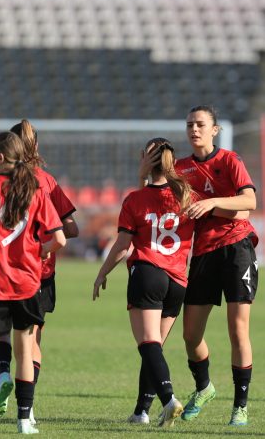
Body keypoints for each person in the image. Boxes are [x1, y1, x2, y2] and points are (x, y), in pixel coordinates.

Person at [92, 138, 194, 427]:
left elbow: (123, 245)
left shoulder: (134, 200)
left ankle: (169, 398)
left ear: (143, 160)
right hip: (178, 281)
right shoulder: (187, 196)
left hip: (148, 273)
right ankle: (141, 412)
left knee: (148, 345)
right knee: (154, 348)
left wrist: (102, 273)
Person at [0, 131, 66, 436]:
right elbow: (59, 239)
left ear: (1, 158)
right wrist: (37, 252)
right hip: (26, 283)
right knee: (26, 352)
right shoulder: (35, 190)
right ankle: (25, 420)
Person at [175, 105, 258, 426]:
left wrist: (211, 203)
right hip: (203, 253)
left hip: (237, 249)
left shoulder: (230, 161)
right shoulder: (181, 168)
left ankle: (240, 406)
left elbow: (249, 203)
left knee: (238, 329)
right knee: (190, 335)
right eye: (189, 124)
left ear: (214, 130)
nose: (194, 129)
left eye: (200, 124)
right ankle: (204, 387)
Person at [0, 120, 79, 425]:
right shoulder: (47, 182)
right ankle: (26, 408)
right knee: (31, 343)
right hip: (39, 273)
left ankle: (2, 372)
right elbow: (70, 229)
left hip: (2, 268)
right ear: (36, 147)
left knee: (2, 332)